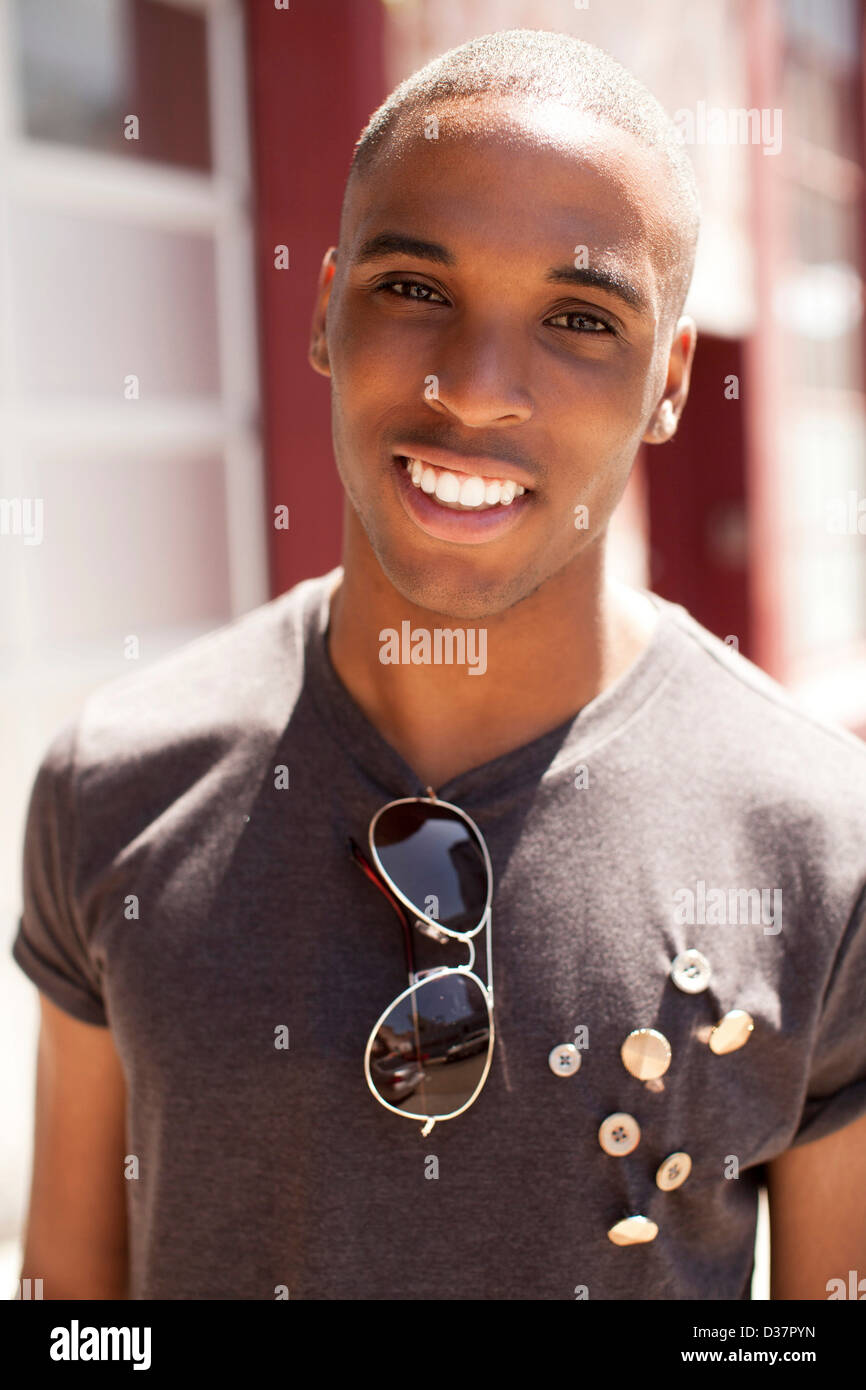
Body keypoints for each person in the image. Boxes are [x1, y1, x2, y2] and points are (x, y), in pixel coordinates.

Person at [12, 28, 866, 1302]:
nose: (472, 391)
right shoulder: (122, 779)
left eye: (578, 318)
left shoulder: (813, 841)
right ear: (325, 308)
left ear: (668, 381)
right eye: (414, 290)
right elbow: (74, 1310)